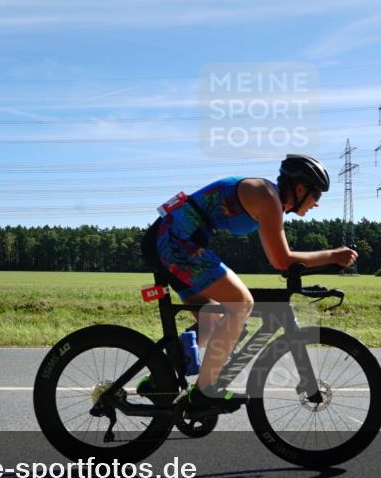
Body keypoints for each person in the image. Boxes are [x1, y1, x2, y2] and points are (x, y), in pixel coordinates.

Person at [140, 154, 357, 412]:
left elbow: (277, 257)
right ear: (300, 188)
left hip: (172, 238)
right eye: (317, 196)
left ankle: (159, 379)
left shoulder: (268, 198)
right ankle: (203, 394)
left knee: (212, 321)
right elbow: (282, 259)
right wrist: (333, 255)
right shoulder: (268, 198)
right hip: (175, 240)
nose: (317, 204)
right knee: (242, 303)